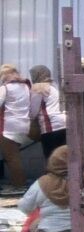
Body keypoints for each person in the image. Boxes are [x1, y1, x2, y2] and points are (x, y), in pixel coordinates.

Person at [2, 65, 32, 194]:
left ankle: (19, 185)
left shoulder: (6, 88)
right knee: (14, 155)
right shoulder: (25, 86)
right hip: (23, 125)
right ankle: (16, 182)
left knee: (11, 157)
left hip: (8, 126)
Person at [29, 65, 68, 158]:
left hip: (50, 126)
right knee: (63, 157)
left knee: (51, 158)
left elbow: (33, 111)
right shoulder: (54, 86)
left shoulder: (39, 88)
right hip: (63, 124)